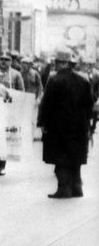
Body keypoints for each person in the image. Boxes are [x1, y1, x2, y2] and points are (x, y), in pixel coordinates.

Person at [37, 47, 94, 199]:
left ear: (59, 63)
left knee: (60, 161)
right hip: (79, 128)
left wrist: (42, 123)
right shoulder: (83, 80)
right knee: (75, 160)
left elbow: (47, 104)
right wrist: (87, 124)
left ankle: (64, 190)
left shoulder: (54, 80)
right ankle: (77, 188)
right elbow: (90, 104)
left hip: (59, 128)